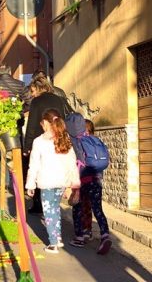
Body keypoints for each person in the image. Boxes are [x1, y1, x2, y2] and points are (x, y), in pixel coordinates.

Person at [25, 109, 80, 254]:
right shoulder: (64, 138)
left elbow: (34, 164)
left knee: (49, 212)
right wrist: (72, 183)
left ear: (46, 123)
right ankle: (58, 238)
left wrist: (30, 184)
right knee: (55, 209)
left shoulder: (39, 141)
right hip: (61, 181)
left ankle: (53, 243)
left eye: (42, 122)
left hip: (47, 181)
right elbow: (71, 162)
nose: (41, 125)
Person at [66, 114, 112, 255]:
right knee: (97, 209)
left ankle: (80, 237)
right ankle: (104, 234)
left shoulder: (77, 142)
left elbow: (75, 163)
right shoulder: (96, 140)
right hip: (96, 180)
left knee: (78, 208)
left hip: (82, 181)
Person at [23, 76, 69, 214]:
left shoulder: (36, 101)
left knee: (39, 171)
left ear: (37, 88)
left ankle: (39, 203)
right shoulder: (58, 99)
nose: (32, 94)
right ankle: (53, 201)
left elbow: (31, 125)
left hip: (41, 139)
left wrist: (27, 146)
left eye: (32, 91)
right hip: (58, 138)